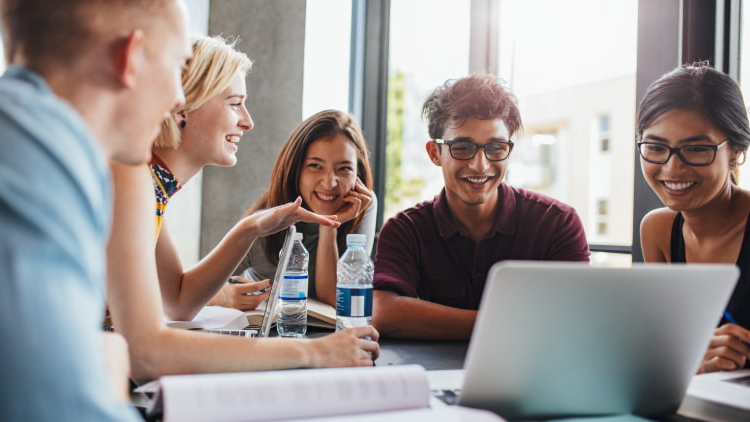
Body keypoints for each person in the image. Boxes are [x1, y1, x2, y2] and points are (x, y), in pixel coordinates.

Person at [107, 35, 379, 382]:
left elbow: (178, 301)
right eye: (235, 103)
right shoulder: (132, 182)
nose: (248, 122)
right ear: (182, 107)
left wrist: (250, 228)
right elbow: (147, 352)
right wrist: (314, 351)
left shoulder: (152, 188)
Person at [0, 0, 191, 420]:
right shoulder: (34, 159)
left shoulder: (20, 134)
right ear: (130, 57)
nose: (179, 97)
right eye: (177, 64)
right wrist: (109, 375)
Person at [371, 71, 590, 340]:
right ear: (434, 153)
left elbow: (572, 319)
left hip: (527, 378)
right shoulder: (405, 230)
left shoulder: (557, 223)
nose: (480, 165)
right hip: (430, 377)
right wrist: (514, 324)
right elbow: (385, 313)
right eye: (462, 147)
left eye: (496, 148)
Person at [637, 62, 750, 373]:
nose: (672, 169)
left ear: (737, 151)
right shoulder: (658, 229)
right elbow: (668, 348)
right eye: (656, 147)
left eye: (697, 149)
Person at [209, 109, 375, 307]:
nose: (330, 183)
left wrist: (329, 226)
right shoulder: (264, 224)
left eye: (344, 169)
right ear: (295, 170)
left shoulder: (362, 204)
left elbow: (333, 298)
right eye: (315, 166)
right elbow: (190, 291)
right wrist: (224, 296)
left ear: (359, 175)